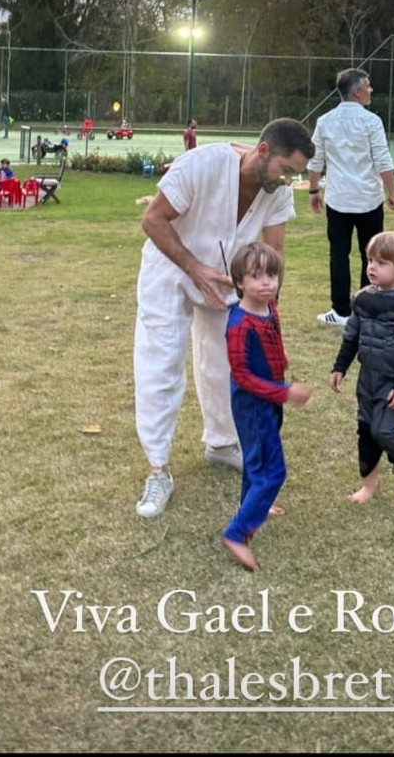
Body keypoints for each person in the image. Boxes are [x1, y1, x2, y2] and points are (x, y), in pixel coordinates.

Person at [133, 116, 315, 520]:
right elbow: (152, 220)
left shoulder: (277, 194)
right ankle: (158, 468)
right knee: (161, 364)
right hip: (170, 270)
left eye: (295, 175)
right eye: (286, 170)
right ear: (263, 151)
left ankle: (221, 443)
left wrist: (268, 308)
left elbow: (275, 254)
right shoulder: (202, 164)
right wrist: (195, 268)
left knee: (225, 366)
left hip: (229, 283)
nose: (288, 181)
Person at [222, 242, 310, 571]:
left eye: (271, 274)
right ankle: (236, 533)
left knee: (256, 461)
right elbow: (242, 376)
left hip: (271, 398)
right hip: (253, 404)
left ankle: (253, 504)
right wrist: (284, 392)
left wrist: (281, 360)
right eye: (256, 276)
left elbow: (276, 333)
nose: (266, 283)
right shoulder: (239, 325)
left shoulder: (270, 306)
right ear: (240, 282)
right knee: (273, 471)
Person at [330, 231, 394, 504]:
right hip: (368, 377)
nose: (372, 267)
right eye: (370, 260)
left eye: (381, 262)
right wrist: (340, 367)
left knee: (385, 431)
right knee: (366, 429)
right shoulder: (363, 298)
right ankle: (368, 487)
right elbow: (352, 335)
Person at [307, 68, 394, 327]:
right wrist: (392, 192)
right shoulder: (371, 122)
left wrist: (314, 191)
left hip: (339, 200)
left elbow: (316, 160)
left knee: (339, 253)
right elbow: (383, 159)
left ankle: (340, 310)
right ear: (357, 90)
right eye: (368, 86)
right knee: (370, 255)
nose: (371, 90)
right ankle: (364, 309)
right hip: (368, 199)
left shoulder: (325, 121)